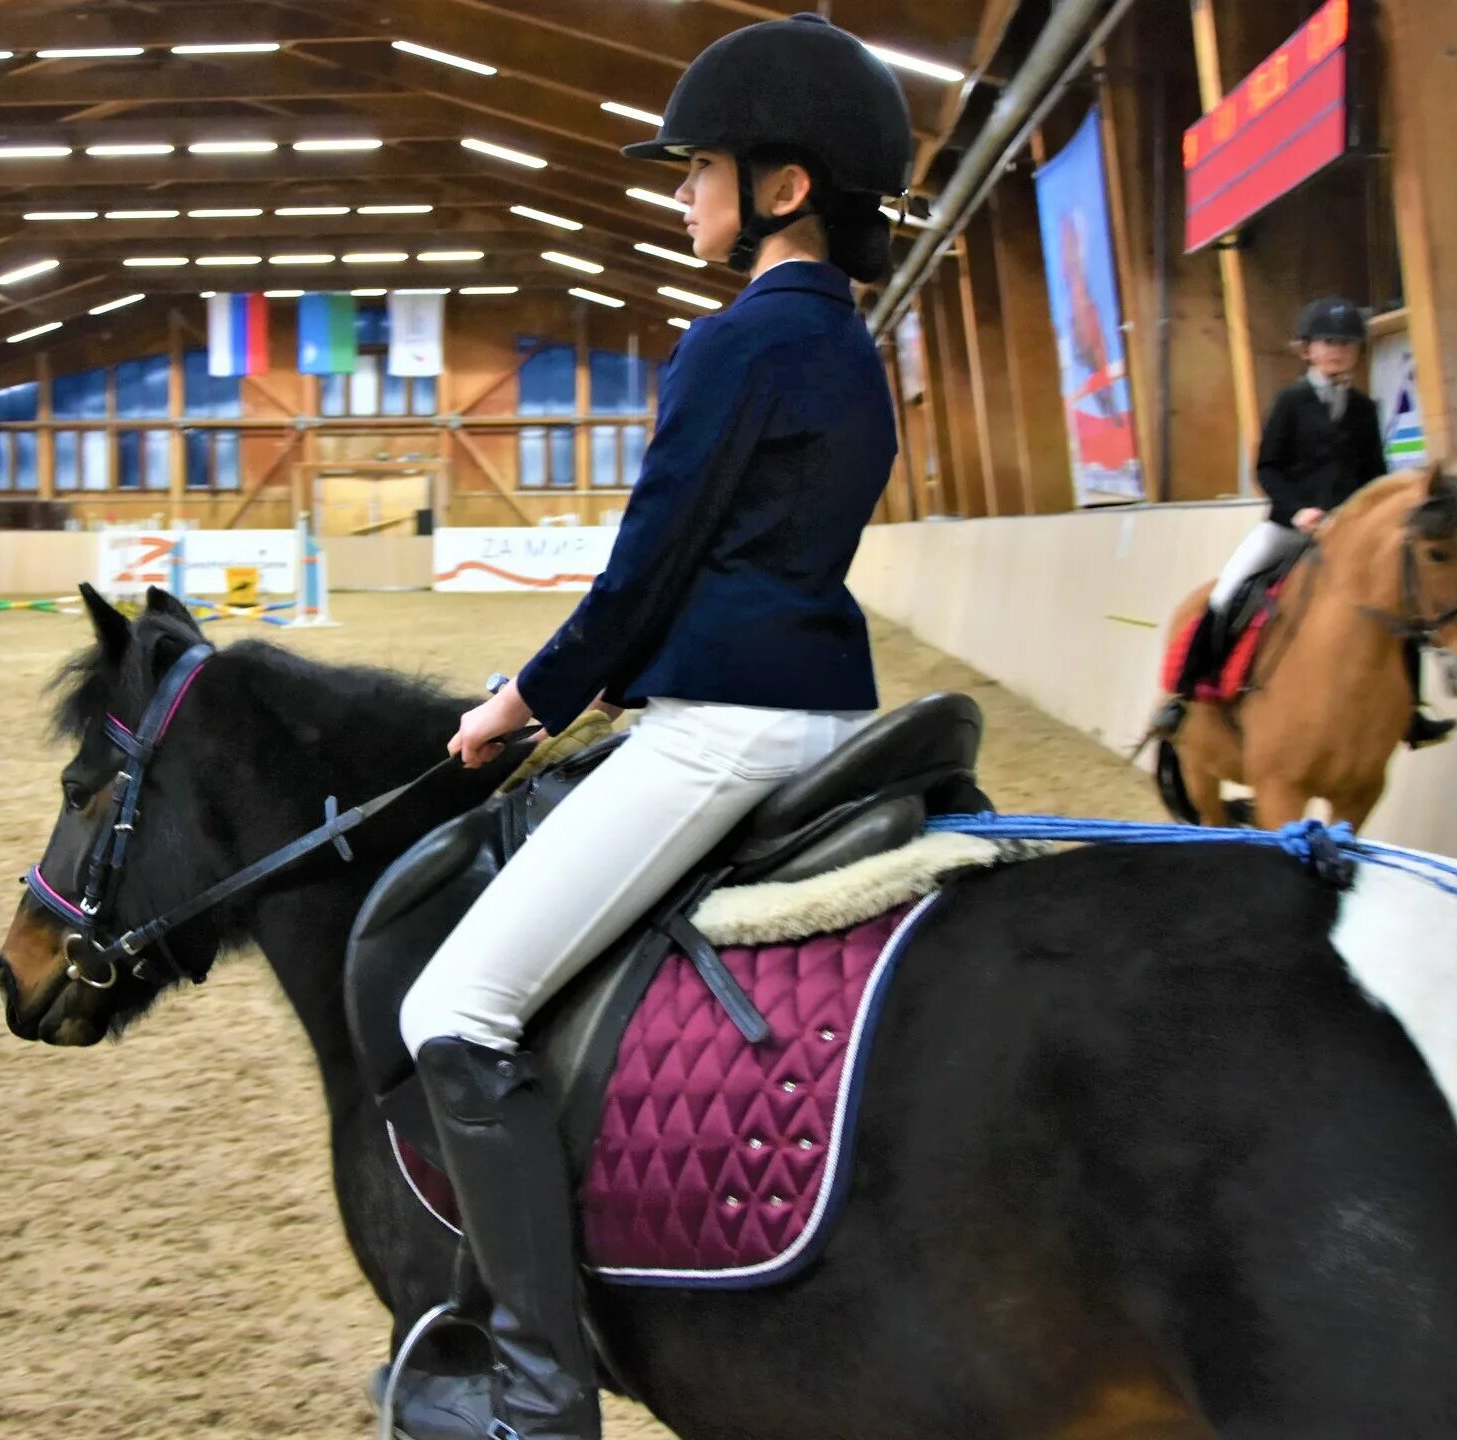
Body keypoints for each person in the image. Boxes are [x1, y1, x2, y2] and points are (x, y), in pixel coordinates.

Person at [389, 15, 913, 1440]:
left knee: (451, 1008)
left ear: (783, 188)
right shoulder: (847, 349)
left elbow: (645, 572)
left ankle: (542, 1390)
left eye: (699, 172)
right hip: (814, 713)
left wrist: (518, 703)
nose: (680, 196)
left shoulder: (735, 344)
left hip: (723, 729)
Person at [1165, 296, 1455, 748]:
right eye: (1327, 342)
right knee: (1228, 591)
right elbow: (1268, 468)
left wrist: (1364, 518)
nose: (1338, 350)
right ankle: (1185, 693)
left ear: (1358, 351)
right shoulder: (1290, 402)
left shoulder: (1364, 410)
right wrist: (1298, 510)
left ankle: (1411, 712)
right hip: (1288, 527)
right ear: (1308, 350)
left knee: (1401, 605)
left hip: (1345, 535)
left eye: (1347, 342)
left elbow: (1374, 477)